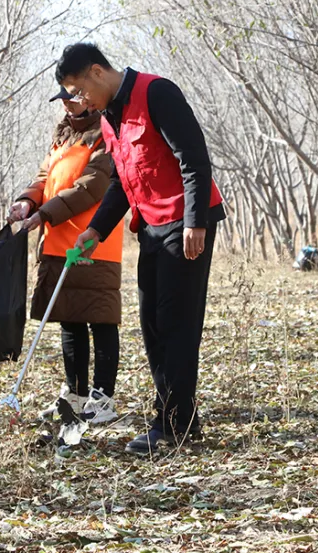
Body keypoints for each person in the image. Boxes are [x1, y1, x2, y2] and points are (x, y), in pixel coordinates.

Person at [56, 42, 225, 455]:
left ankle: (171, 424)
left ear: (97, 72)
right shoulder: (109, 118)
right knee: (152, 325)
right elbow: (120, 183)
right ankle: (184, 417)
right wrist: (95, 230)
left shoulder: (156, 92)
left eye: (79, 91)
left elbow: (193, 158)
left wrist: (195, 223)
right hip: (150, 226)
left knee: (176, 325)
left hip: (184, 223)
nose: (80, 101)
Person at [8, 88, 123, 426]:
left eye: (72, 96)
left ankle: (103, 399)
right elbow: (45, 177)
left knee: (100, 319)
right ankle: (75, 394)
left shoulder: (106, 133)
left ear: (88, 96)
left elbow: (92, 185)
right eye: (62, 98)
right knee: (69, 319)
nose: (66, 103)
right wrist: (28, 201)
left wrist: (45, 213)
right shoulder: (63, 134)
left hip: (94, 242)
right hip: (57, 242)